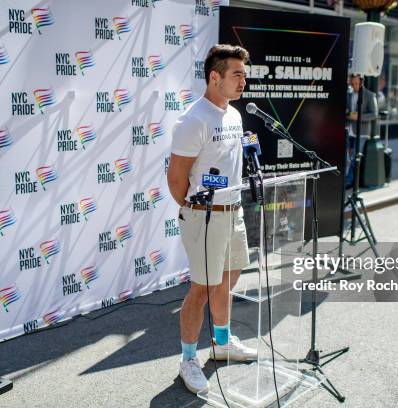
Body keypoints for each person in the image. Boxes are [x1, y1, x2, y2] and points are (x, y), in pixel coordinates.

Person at [167, 44, 256, 394]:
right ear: (214, 76)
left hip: (233, 212)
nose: (243, 81)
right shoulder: (194, 119)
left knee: (226, 279)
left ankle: (221, 343)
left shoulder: (233, 114)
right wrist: (194, 211)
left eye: (244, 75)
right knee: (201, 289)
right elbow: (177, 179)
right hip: (205, 217)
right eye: (237, 74)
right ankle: (188, 358)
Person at [345, 74, 378, 188]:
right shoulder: (348, 94)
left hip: (362, 131)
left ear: (361, 82)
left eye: (357, 84)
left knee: (355, 157)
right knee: (347, 158)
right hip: (348, 129)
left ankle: (349, 182)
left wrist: (359, 116)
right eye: (353, 84)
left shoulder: (369, 95)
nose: (355, 86)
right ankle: (347, 179)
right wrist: (348, 114)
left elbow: (374, 114)